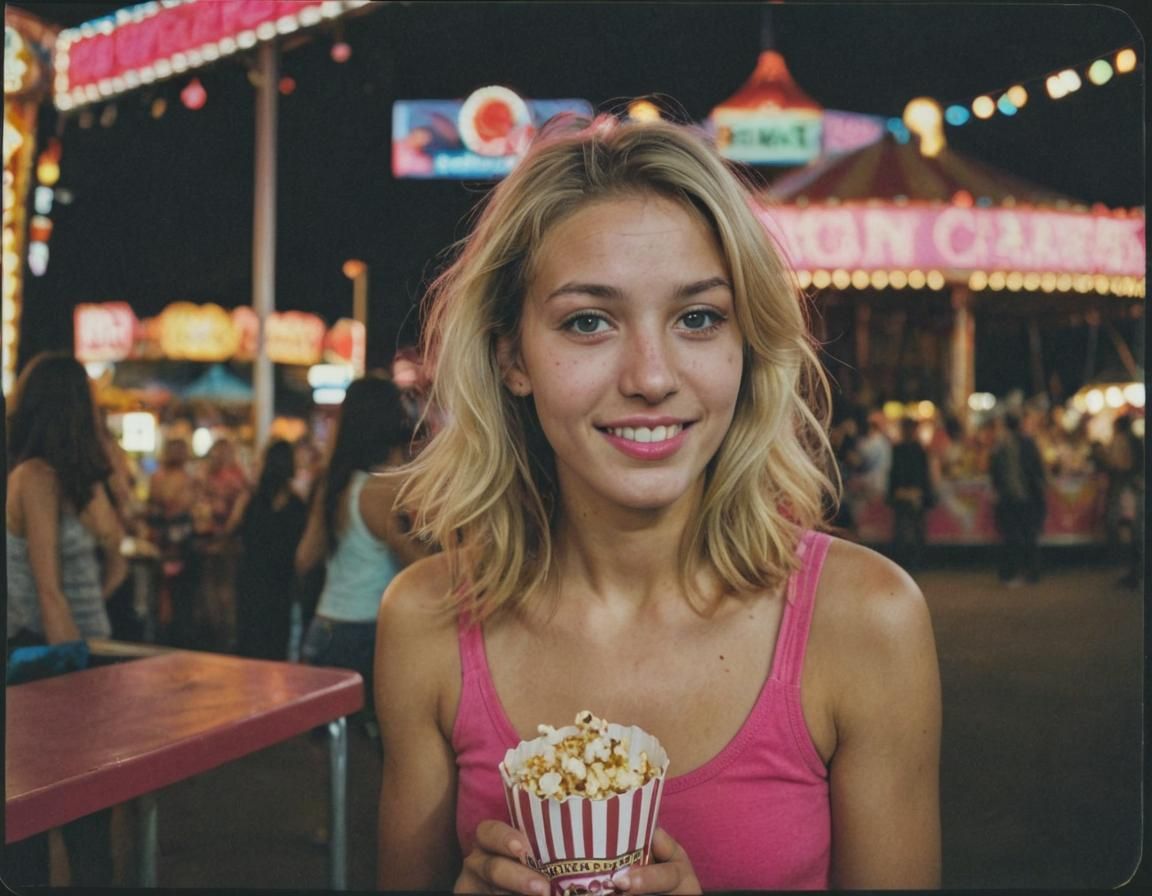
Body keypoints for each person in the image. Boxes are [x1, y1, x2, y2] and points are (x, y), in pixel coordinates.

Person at [374, 116, 941, 892]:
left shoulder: (867, 621)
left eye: (698, 318)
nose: (650, 376)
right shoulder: (425, 622)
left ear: (747, 346)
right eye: (588, 321)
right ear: (513, 357)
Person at [5, 351, 127, 886]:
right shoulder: (33, 477)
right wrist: (77, 666)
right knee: (45, 817)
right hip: (50, 658)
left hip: (84, 651)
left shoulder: (70, 480)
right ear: (74, 409)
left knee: (90, 817)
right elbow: (50, 593)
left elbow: (114, 548)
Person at [295, 375, 431, 737]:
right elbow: (418, 564)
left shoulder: (336, 483)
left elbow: (305, 558)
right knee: (382, 753)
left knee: (335, 755)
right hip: (367, 633)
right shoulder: (384, 489)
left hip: (324, 630)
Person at [228, 440, 308, 660]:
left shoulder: (251, 500)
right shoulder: (297, 505)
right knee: (276, 644)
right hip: (280, 583)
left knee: (250, 642)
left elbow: (231, 531)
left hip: (251, 579)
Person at [146, 436, 202, 646]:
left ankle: (166, 635)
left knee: (166, 592)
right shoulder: (187, 480)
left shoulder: (158, 478)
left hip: (166, 543)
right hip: (178, 544)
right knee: (177, 595)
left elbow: (152, 510)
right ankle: (176, 637)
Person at [196, 437, 250, 650]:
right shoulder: (238, 478)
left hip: (217, 539)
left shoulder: (221, 478)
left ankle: (218, 634)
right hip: (225, 540)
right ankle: (224, 635)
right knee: (222, 587)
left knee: (215, 586)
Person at [989, 412, 1048, 585]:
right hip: (1027, 495)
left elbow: (995, 471)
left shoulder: (1000, 446)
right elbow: (1038, 470)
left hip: (1009, 497)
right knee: (1029, 535)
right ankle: (1032, 572)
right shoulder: (1028, 443)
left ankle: (1010, 573)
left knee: (1011, 536)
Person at [886, 417, 935, 572]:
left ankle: (904, 562)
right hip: (914, 495)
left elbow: (893, 474)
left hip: (902, 495)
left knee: (903, 530)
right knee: (916, 530)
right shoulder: (919, 449)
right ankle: (916, 562)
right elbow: (923, 474)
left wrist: (895, 492)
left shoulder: (898, 449)